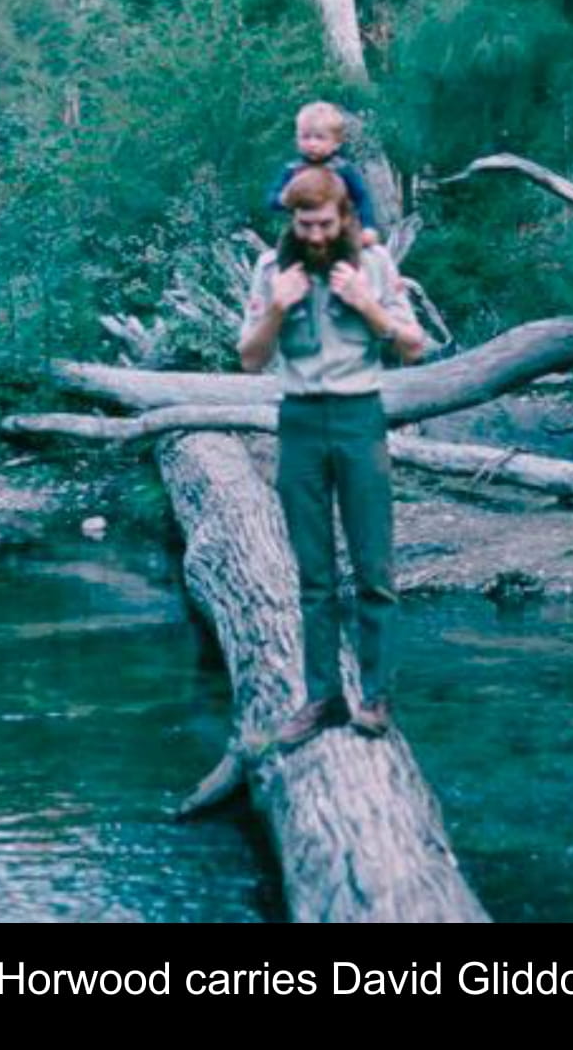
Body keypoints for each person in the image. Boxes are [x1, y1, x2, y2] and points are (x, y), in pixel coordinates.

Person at [239, 165, 425, 744]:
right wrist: (275, 308)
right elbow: (249, 358)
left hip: (358, 417)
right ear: (291, 220)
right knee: (313, 575)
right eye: (304, 224)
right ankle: (322, 698)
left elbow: (414, 347)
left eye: (323, 224)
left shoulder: (373, 265)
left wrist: (368, 306)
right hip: (298, 422)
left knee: (375, 571)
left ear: (344, 217)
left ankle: (375, 698)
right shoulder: (272, 270)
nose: (314, 236)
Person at [266, 100, 380, 246]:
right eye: (306, 137)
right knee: (284, 253)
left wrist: (368, 227)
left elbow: (362, 198)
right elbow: (271, 200)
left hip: (340, 231)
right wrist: (283, 199)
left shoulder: (343, 169)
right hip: (300, 232)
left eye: (320, 137)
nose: (312, 144)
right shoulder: (293, 169)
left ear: (337, 142)